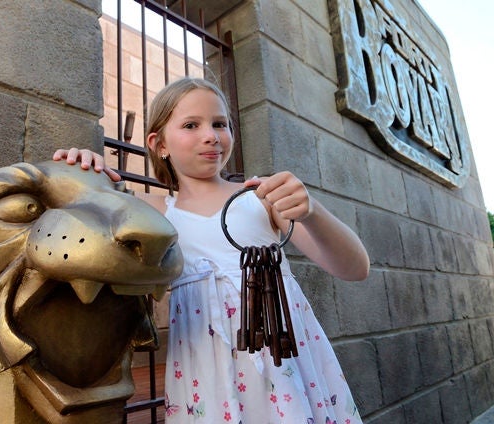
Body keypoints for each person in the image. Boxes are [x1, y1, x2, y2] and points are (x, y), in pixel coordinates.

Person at [53, 77, 369, 423]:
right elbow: (78, 211)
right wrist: (81, 168)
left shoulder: (260, 198)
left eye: (220, 124)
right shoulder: (155, 212)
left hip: (283, 362)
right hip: (205, 370)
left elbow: (355, 268)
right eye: (191, 125)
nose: (211, 135)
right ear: (159, 144)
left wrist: (312, 211)